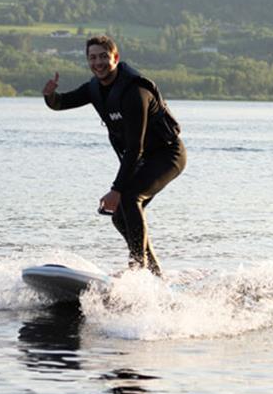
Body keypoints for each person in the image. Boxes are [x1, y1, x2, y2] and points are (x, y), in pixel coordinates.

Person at [42, 35, 186, 276]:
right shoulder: (94, 88)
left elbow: (135, 147)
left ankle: (138, 267)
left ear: (115, 58)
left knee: (129, 198)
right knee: (119, 217)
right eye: (92, 58)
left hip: (167, 155)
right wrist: (50, 95)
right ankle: (153, 273)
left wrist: (116, 189)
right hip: (142, 159)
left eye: (103, 57)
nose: (98, 63)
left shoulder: (135, 92)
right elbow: (61, 103)